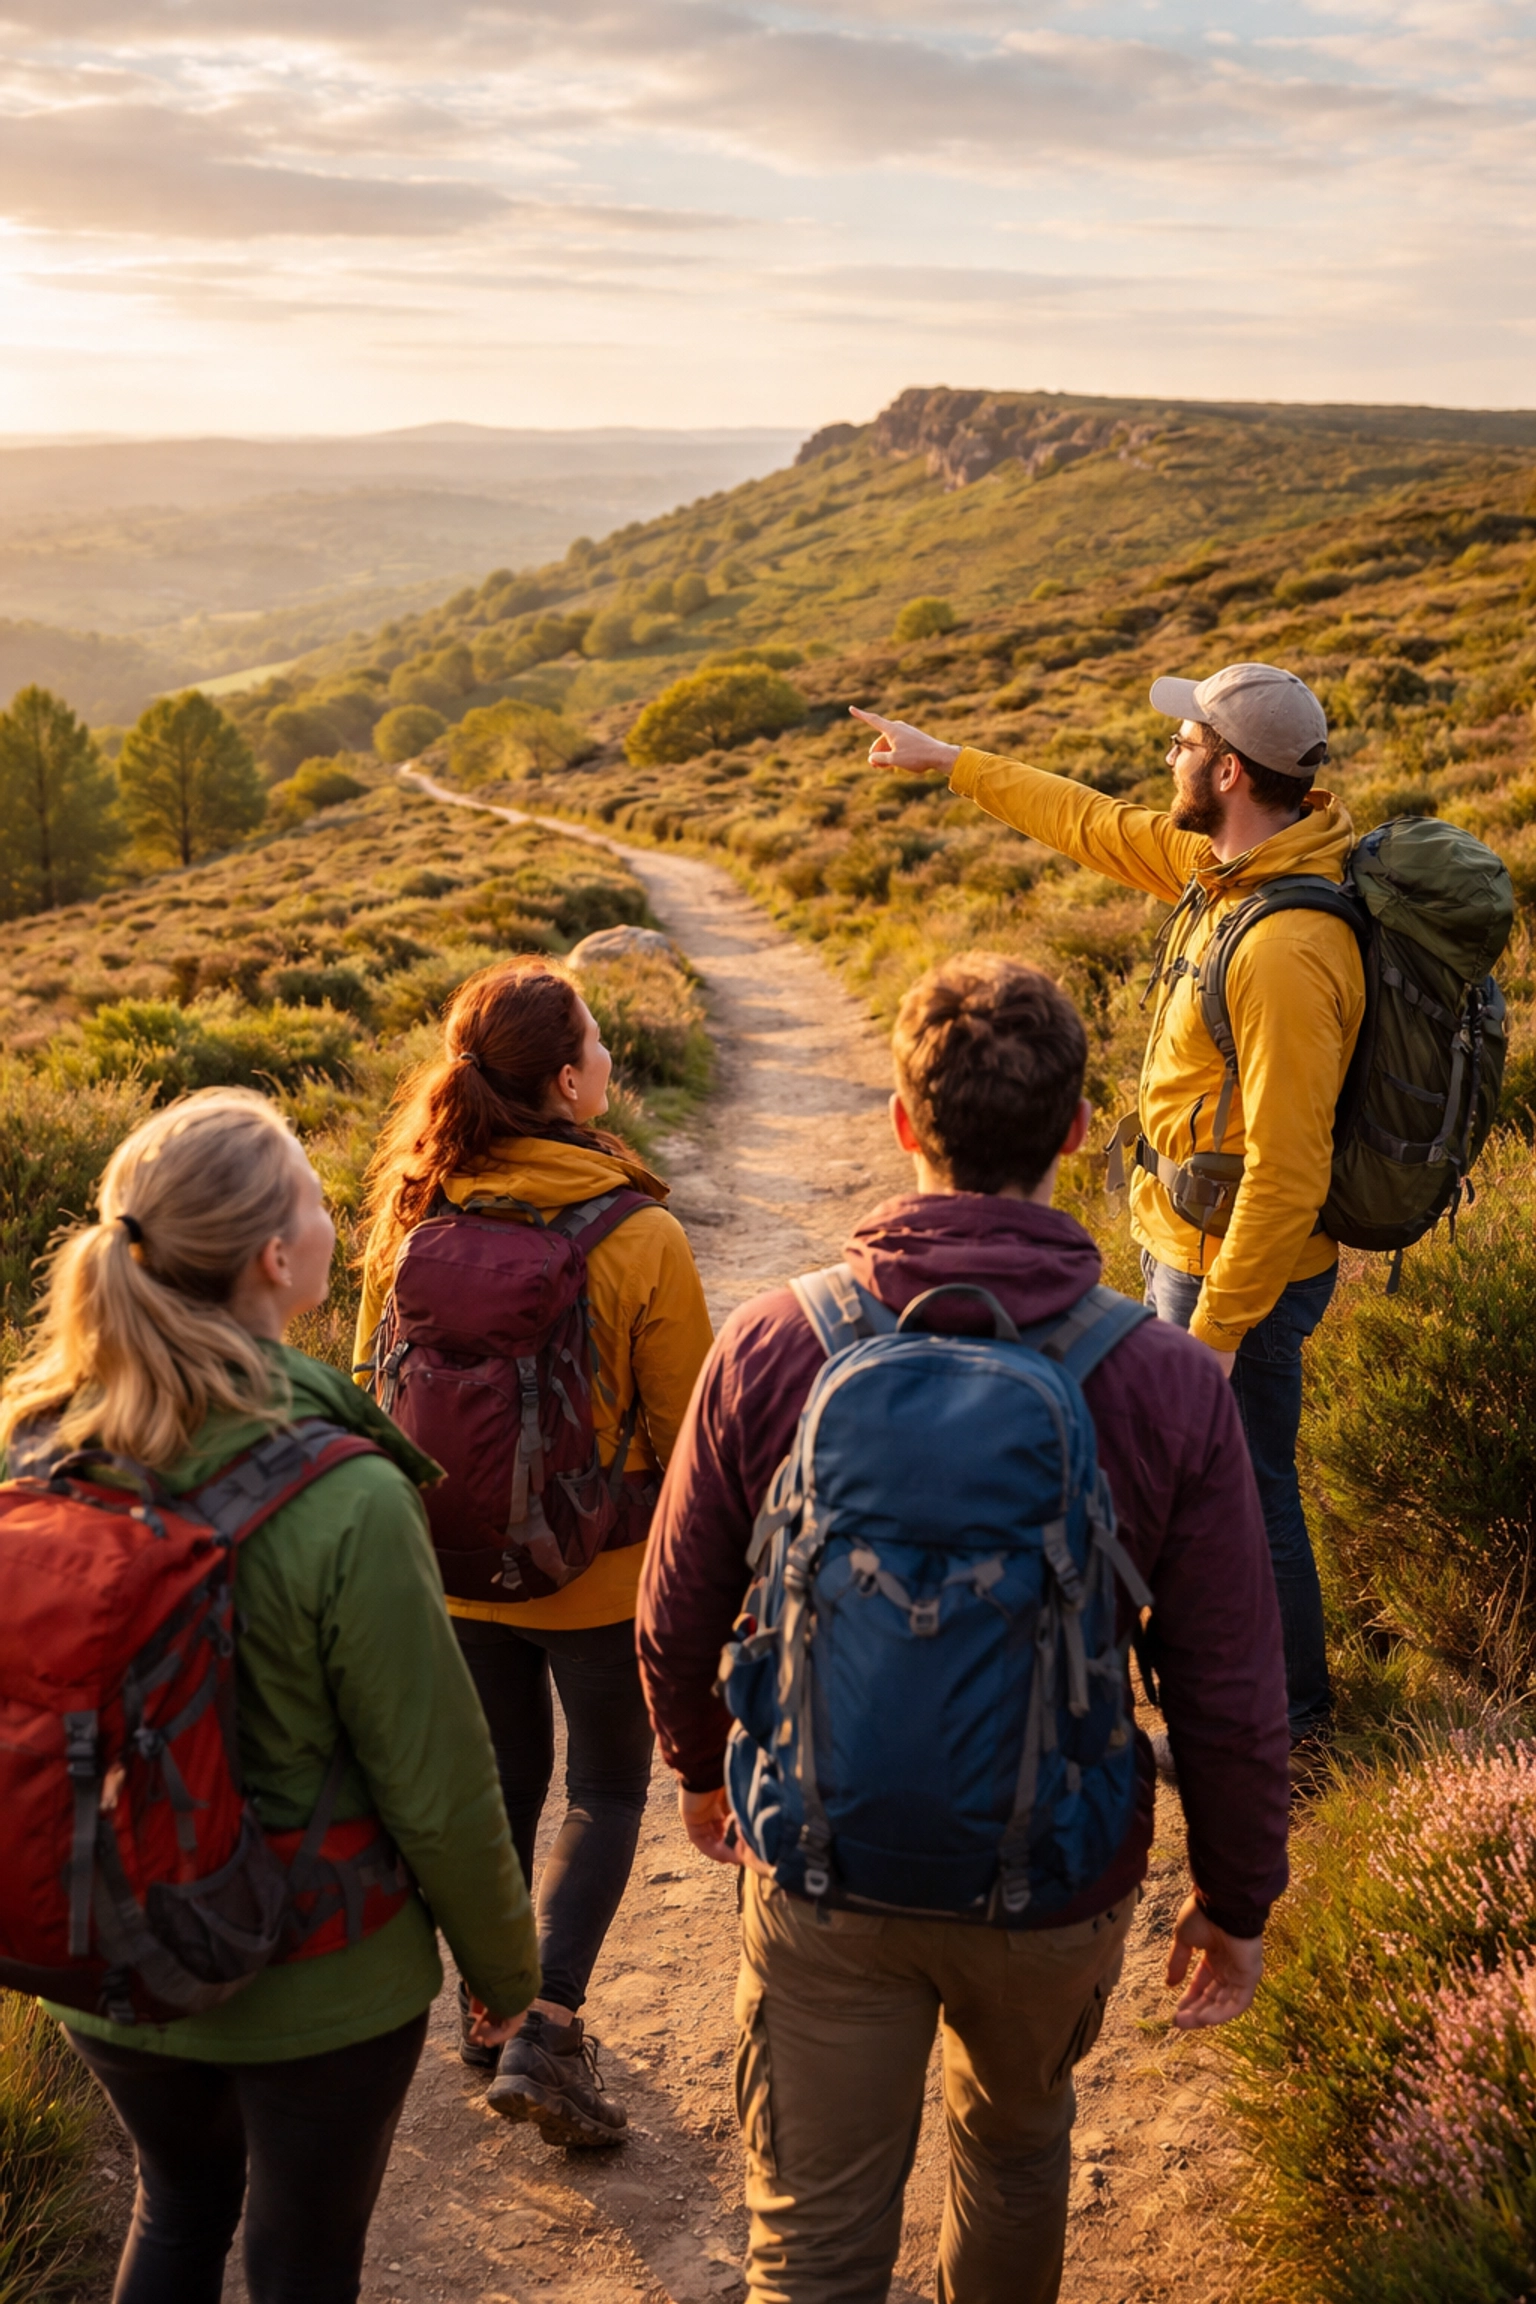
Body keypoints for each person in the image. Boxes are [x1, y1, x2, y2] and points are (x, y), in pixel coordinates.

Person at [638, 953, 1291, 2304]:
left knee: (811, 2239)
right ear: (1074, 1130)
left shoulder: (777, 1342)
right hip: (1055, 1865)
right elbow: (1230, 1679)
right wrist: (1235, 1898)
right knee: (1014, 2147)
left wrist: (702, 1766)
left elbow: (676, 1604)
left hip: (824, 1861)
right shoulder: (1162, 1380)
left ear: (900, 1122)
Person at [0, 1087, 537, 2304]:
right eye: (310, 1191)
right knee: (302, 2259)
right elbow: (441, 1786)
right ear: (278, 1257)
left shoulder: (28, 1445)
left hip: (107, 1952)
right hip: (323, 1980)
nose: (330, 1210)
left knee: (177, 2213)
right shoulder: (349, 1498)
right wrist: (510, 1979)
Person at [850, 665, 1363, 1763]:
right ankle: (1241, 1712)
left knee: (1244, 1492)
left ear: (1229, 770)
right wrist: (949, 761)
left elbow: (1287, 1170)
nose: (1166, 758)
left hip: (1234, 1270)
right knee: (1219, 1489)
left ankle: (1295, 1728)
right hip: (1192, 1243)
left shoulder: (1283, 944)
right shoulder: (1226, 868)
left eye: (1182, 745)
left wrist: (1216, 1336)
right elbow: (1090, 821)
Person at [356, 957, 713, 2146]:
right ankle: (546, 2026)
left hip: (450, 1563)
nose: (611, 1058)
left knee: (504, 1784)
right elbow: (691, 1434)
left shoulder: (417, 1209)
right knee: (608, 1791)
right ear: (566, 1083)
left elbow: (374, 1398)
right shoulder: (639, 1233)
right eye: (601, 1044)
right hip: (594, 1576)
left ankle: (486, 2003)